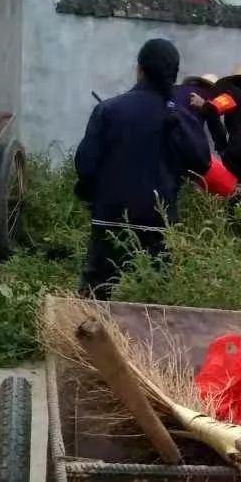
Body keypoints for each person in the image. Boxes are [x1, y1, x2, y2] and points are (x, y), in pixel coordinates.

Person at [74, 38, 210, 299]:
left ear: (140, 69)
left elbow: (86, 166)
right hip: (159, 226)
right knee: (154, 303)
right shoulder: (179, 117)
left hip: (110, 221)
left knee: (96, 299)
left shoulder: (109, 111)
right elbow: (202, 162)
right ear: (174, 74)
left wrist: (97, 198)